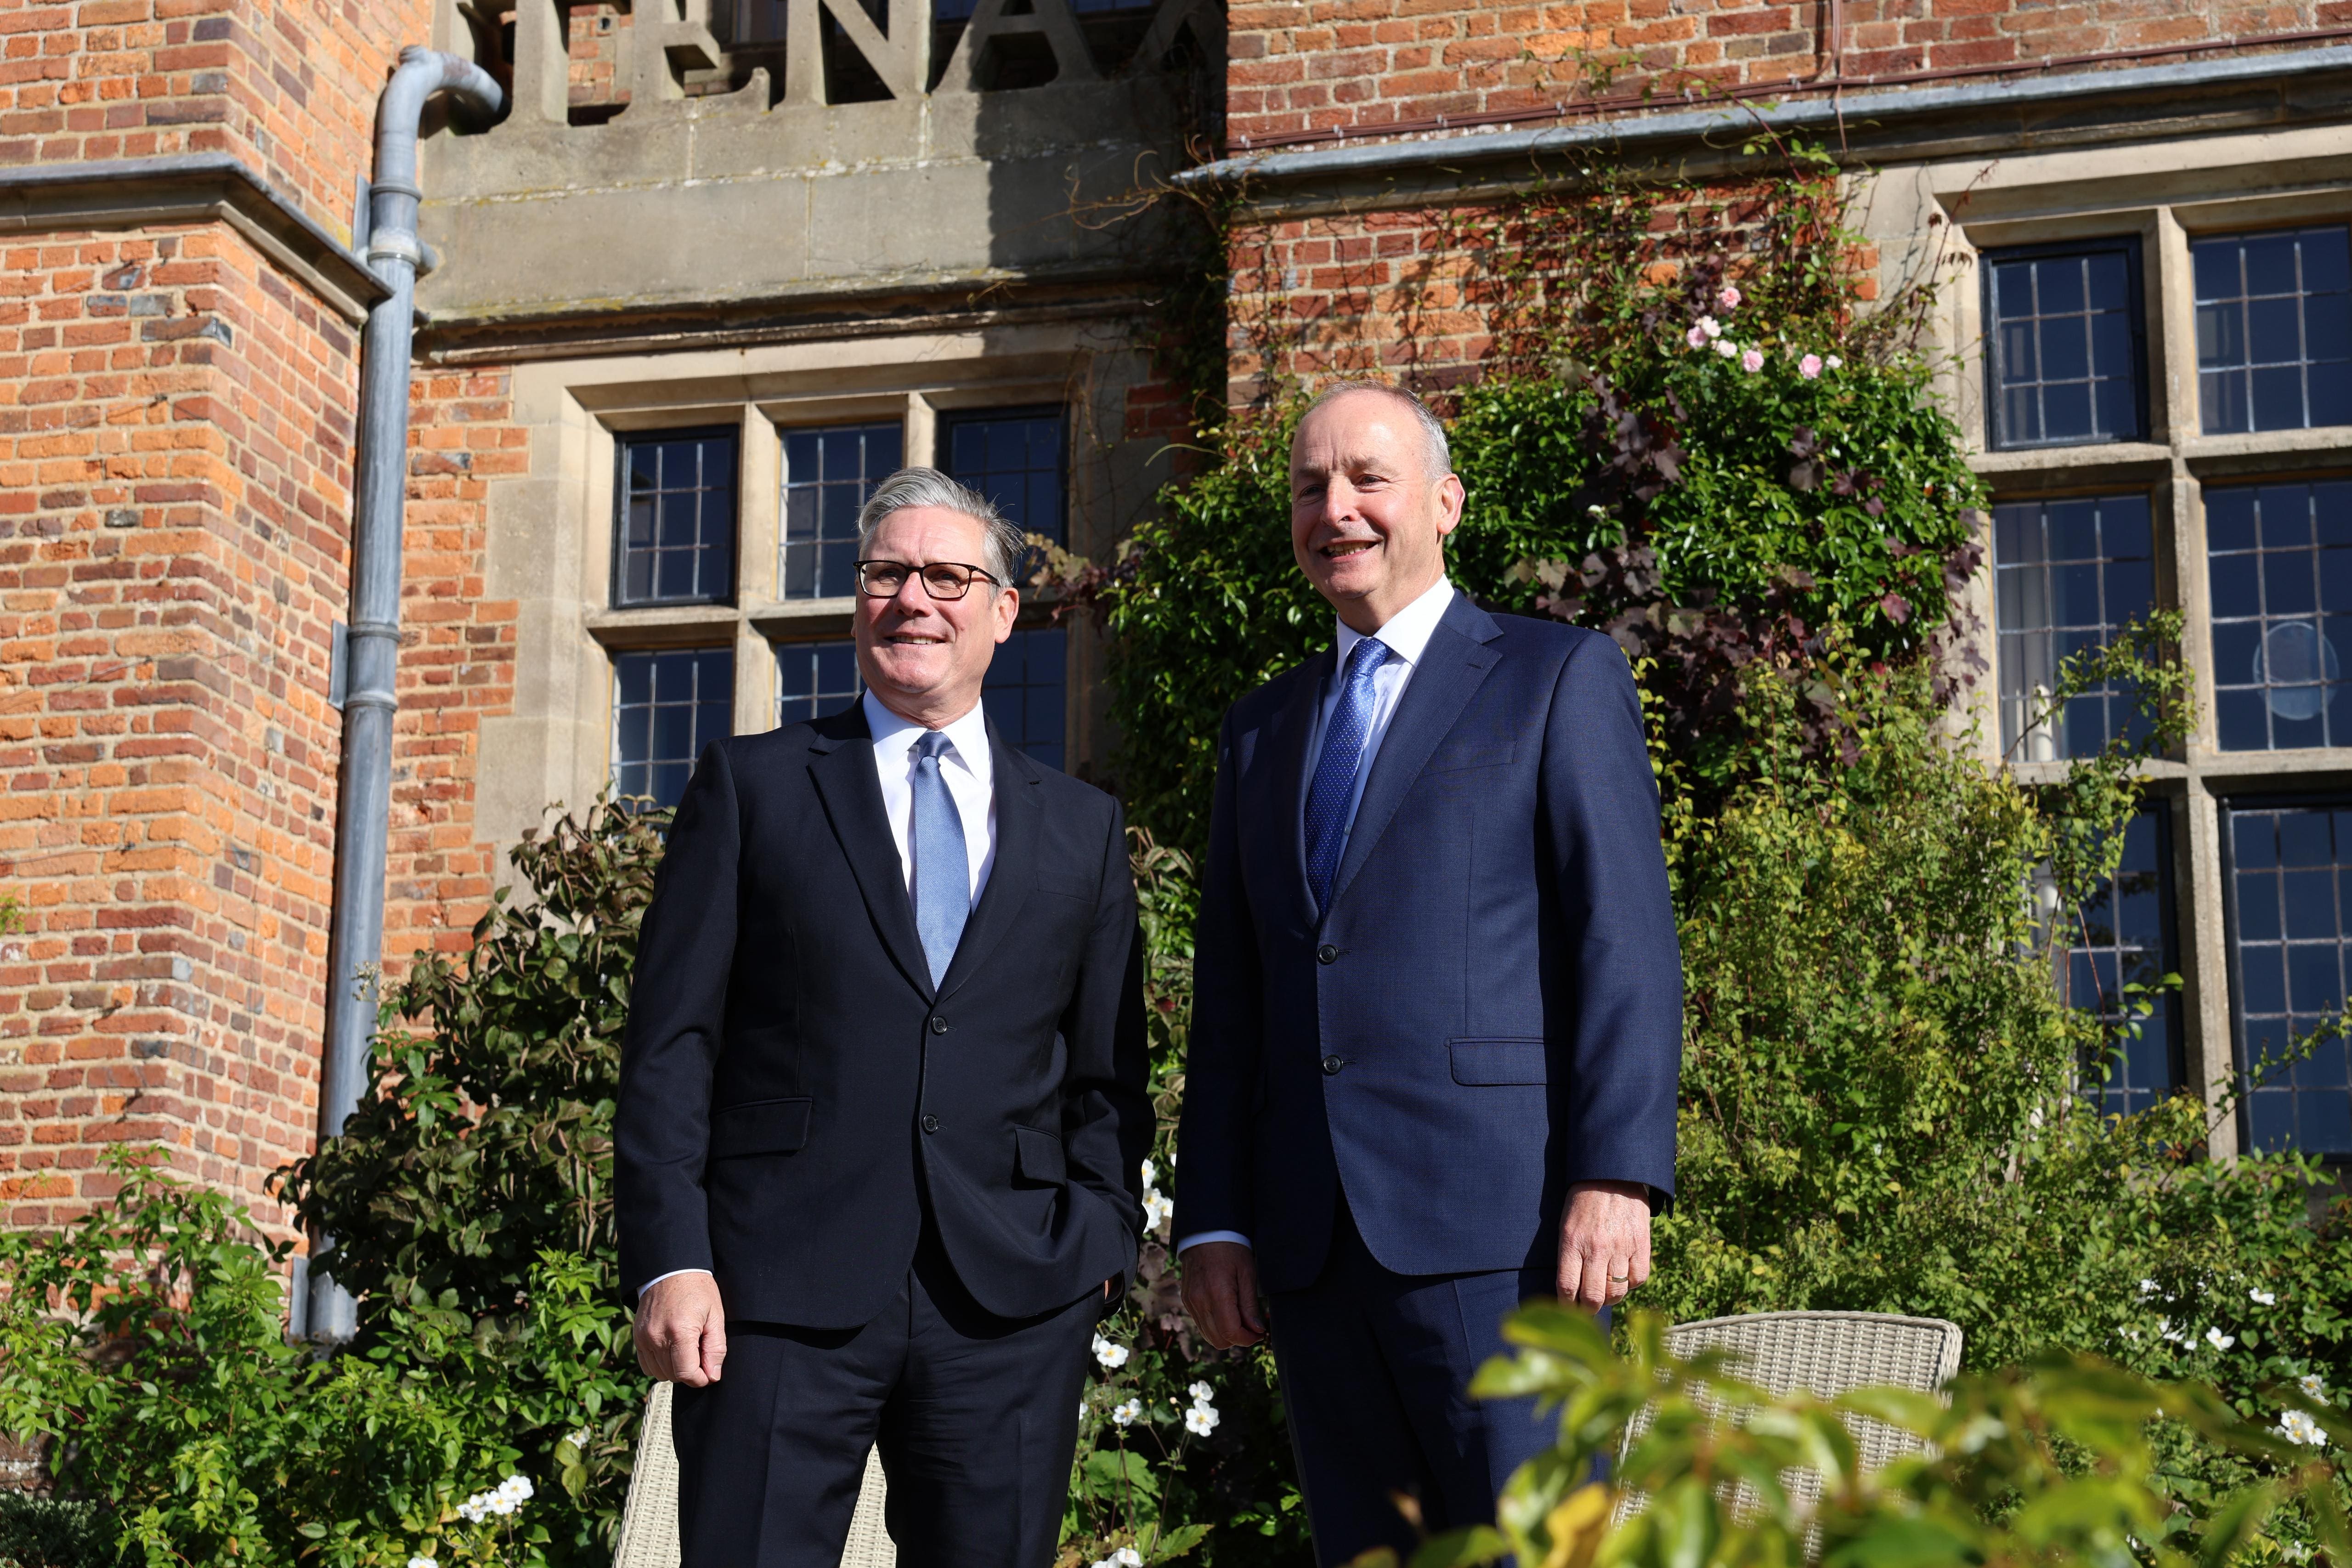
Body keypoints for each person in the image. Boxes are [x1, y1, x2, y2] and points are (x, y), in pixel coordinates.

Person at [1172, 382, 1685, 1566]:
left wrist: (1616, 1175)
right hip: (1308, 1247)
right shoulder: (1260, 731)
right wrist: (1212, 1218)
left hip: (1503, 1237)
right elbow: (1234, 1003)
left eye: (1367, 479)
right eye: (1310, 488)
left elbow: (1625, 943)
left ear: (1444, 503)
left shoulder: (1553, 678)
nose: (1335, 509)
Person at [616, 468, 1152, 1568]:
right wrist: (672, 1257)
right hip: (772, 1296)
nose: (915, 598)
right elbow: (673, 1043)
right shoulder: (753, 786)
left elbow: (1108, 1071)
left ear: (1006, 613)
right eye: (886, 573)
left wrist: (1097, 1239)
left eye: (950, 575)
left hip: (1008, 1303)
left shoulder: (1082, 830)